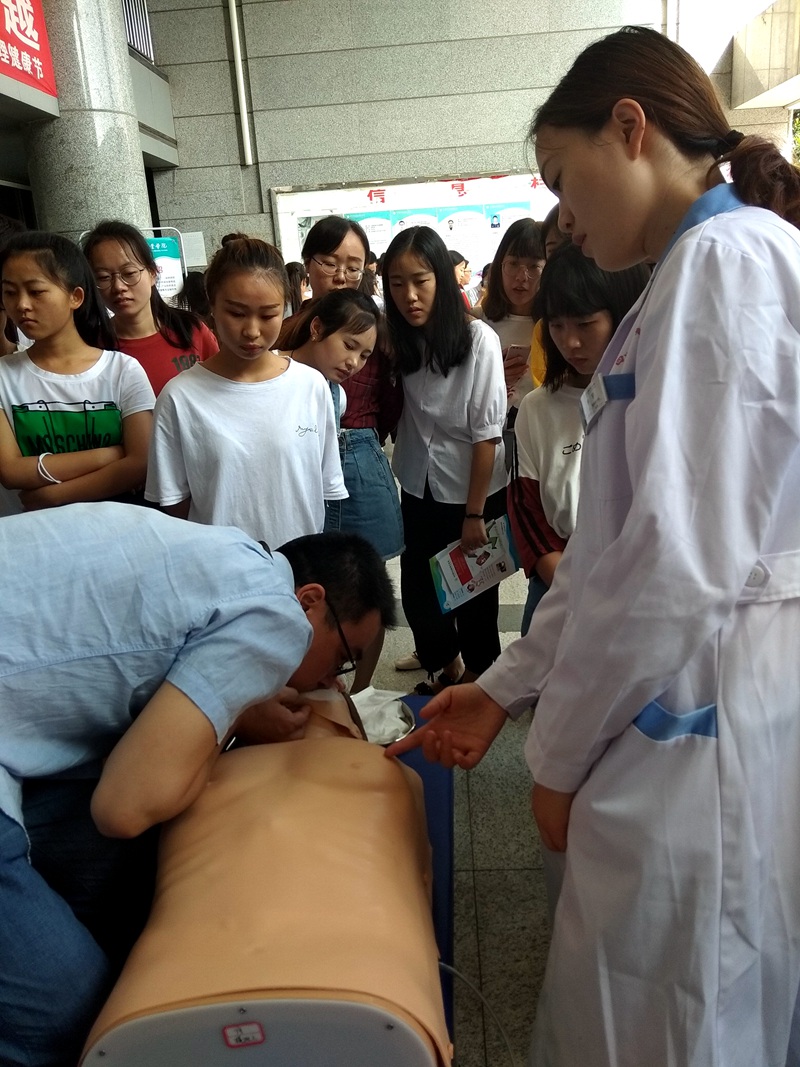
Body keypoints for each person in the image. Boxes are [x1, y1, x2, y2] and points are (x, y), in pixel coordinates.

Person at [388, 24, 800, 1067]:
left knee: (686, 1015)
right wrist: (506, 686)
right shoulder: (688, 272)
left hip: (705, 708)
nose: (561, 214)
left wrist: (558, 755)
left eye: (561, 177)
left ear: (629, 128)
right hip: (686, 692)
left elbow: (671, 565)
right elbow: (611, 545)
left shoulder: (728, 265)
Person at [0, 500, 395, 1067]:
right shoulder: (276, 616)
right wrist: (228, 720)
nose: (332, 682)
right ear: (310, 601)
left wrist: (236, 709)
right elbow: (122, 807)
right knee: (66, 1012)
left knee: (117, 872)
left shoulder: (231, 554)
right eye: (341, 659)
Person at [146, 234, 345, 546]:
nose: (252, 331)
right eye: (237, 313)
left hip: (299, 564)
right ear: (212, 305)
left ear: (285, 308)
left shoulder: (310, 386)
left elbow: (324, 487)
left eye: (268, 315)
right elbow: (174, 503)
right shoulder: (180, 397)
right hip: (219, 565)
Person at [279, 216, 404, 691]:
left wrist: (362, 437)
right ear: (308, 262)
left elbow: (392, 401)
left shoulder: (377, 330)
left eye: (353, 265)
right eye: (330, 262)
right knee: (305, 579)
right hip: (299, 461)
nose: (341, 275)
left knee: (366, 583)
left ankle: (360, 691)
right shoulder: (288, 328)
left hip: (359, 454)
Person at [385, 225, 506, 694]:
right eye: (397, 284)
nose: (409, 296)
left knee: (474, 590)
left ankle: (479, 674)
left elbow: (486, 435)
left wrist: (474, 514)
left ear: (441, 276)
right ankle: (446, 662)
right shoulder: (402, 338)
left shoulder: (479, 340)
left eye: (420, 281)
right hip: (419, 483)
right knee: (419, 591)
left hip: (471, 489)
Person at [509, 244, 648, 636]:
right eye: (557, 326)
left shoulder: (646, 396)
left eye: (585, 324)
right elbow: (526, 510)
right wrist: (571, 585)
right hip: (558, 580)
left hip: (632, 584)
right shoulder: (537, 408)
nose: (570, 342)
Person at [0, 231, 154, 517]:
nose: (21, 305)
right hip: (29, 536)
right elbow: (10, 471)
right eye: (9, 292)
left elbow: (141, 463)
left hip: (117, 529)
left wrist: (53, 496)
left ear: (75, 296)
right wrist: (109, 454)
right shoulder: (4, 376)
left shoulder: (122, 370)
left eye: (36, 291)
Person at [83, 221, 218, 396]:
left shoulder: (191, 330)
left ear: (152, 273)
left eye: (129, 273)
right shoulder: (92, 347)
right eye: (103, 277)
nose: (118, 287)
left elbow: (221, 390)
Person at [277, 288, 379, 426]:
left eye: (364, 356)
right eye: (349, 346)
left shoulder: (337, 399)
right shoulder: (261, 368)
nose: (354, 363)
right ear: (317, 328)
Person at [472, 218, 546, 407]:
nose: (521, 277)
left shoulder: (556, 326)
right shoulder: (479, 321)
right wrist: (494, 378)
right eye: (513, 263)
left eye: (534, 266)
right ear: (500, 265)